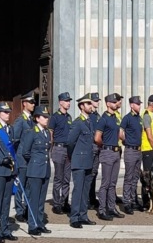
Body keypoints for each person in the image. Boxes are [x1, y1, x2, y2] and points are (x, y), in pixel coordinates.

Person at [67, 94, 97, 228]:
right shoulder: (77, 123)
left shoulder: (89, 121)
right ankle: (74, 218)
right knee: (78, 190)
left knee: (85, 190)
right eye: (88, 104)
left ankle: (83, 215)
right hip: (79, 160)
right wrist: (74, 156)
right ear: (81, 106)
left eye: (91, 104)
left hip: (88, 160)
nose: (91, 106)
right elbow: (70, 142)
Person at [22, 105, 52, 236]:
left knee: (41, 199)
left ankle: (40, 223)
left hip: (44, 169)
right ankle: (32, 224)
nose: (46, 119)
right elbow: (25, 152)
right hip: (35, 169)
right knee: (34, 199)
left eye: (47, 117)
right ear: (37, 118)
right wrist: (34, 162)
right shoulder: (31, 132)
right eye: (44, 117)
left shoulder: (46, 132)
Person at [95, 93, 124, 221]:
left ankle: (111, 207)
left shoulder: (115, 118)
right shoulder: (103, 119)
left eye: (116, 101)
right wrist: (106, 146)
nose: (116, 103)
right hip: (107, 152)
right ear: (108, 104)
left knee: (113, 183)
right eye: (113, 102)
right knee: (105, 183)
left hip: (116, 152)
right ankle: (102, 209)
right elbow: (97, 138)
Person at [0, 102, 17, 242]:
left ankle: (5, 229)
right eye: (5, 112)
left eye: (8, 112)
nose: (8, 114)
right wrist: (1, 161)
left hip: (9, 171)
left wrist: (15, 168)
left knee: (7, 202)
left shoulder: (10, 129)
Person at [13, 90, 36, 222]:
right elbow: (14, 139)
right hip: (21, 158)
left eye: (33, 102)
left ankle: (27, 209)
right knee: (20, 185)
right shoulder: (20, 121)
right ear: (24, 104)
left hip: (30, 159)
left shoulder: (32, 121)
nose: (33, 104)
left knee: (28, 185)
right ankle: (19, 211)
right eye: (31, 102)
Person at [120, 96, 144, 214]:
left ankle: (134, 200)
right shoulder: (127, 118)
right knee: (128, 177)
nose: (139, 106)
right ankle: (126, 202)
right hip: (130, 150)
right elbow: (120, 132)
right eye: (137, 104)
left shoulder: (139, 118)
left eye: (139, 104)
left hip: (138, 151)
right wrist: (126, 141)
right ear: (131, 105)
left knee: (135, 177)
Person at [49, 92, 72, 214]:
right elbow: (51, 134)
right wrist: (51, 148)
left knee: (67, 178)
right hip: (58, 148)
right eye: (66, 101)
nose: (68, 103)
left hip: (68, 149)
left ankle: (65, 201)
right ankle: (57, 203)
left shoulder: (69, 117)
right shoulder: (55, 117)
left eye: (69, 101)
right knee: (58, 177)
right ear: (60, 102)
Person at [88, 92, 101, 209]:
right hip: (91, 147)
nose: (97, 102)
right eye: (95, 100)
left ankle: (92, 198)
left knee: (94, 173)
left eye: (98, 100)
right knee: (90, 173)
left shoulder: (97, 115)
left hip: (98, 147)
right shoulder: (89, 116)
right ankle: (88, 198)